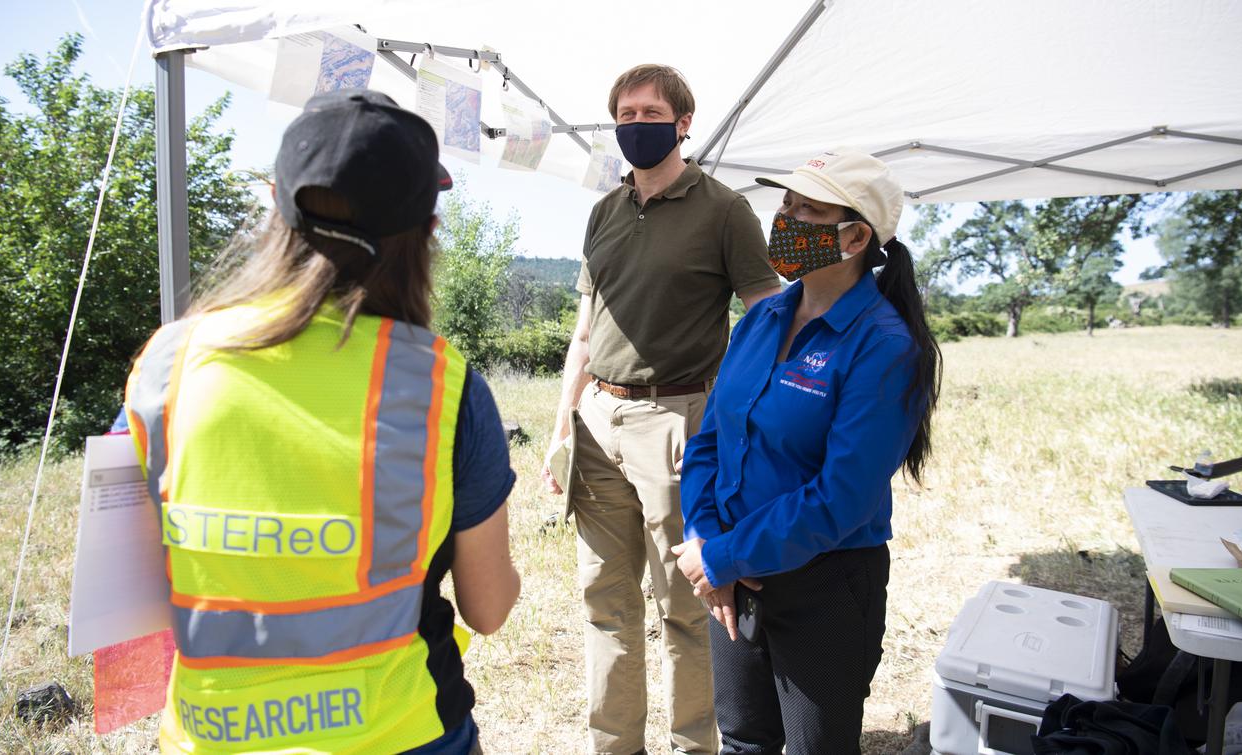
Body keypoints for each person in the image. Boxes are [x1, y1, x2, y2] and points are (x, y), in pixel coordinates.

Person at [122, 89, 519, 754]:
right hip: (407, 731)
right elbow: (490, 606)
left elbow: (132, 582)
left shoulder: (170, 364)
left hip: (211, 736)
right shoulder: (444, 385)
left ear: (275, 209)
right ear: (424, 234)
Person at [541, 64, 782, 754]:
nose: (635, 123)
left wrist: (748, 419)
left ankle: (691, 747)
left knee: (686, 606)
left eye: (650, 112)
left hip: (678, 422)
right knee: (605, 605)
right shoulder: (604, 212)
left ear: (683, 122)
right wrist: (562, 429)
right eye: (624, 112)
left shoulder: (723, 208)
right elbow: (585, 330)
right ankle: (614, 746)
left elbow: (766, 311)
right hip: (597, 421)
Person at [673, 150, 943, 753]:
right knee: (743, 738)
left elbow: (841, 498)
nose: (785, 217)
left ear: (853, 237)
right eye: (787, 203)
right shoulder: (762, 317)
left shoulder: (884, 346)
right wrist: (703, 536)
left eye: (807, 209)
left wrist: (724, 557)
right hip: (732, 569)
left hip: (825, 583)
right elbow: (712, 440)